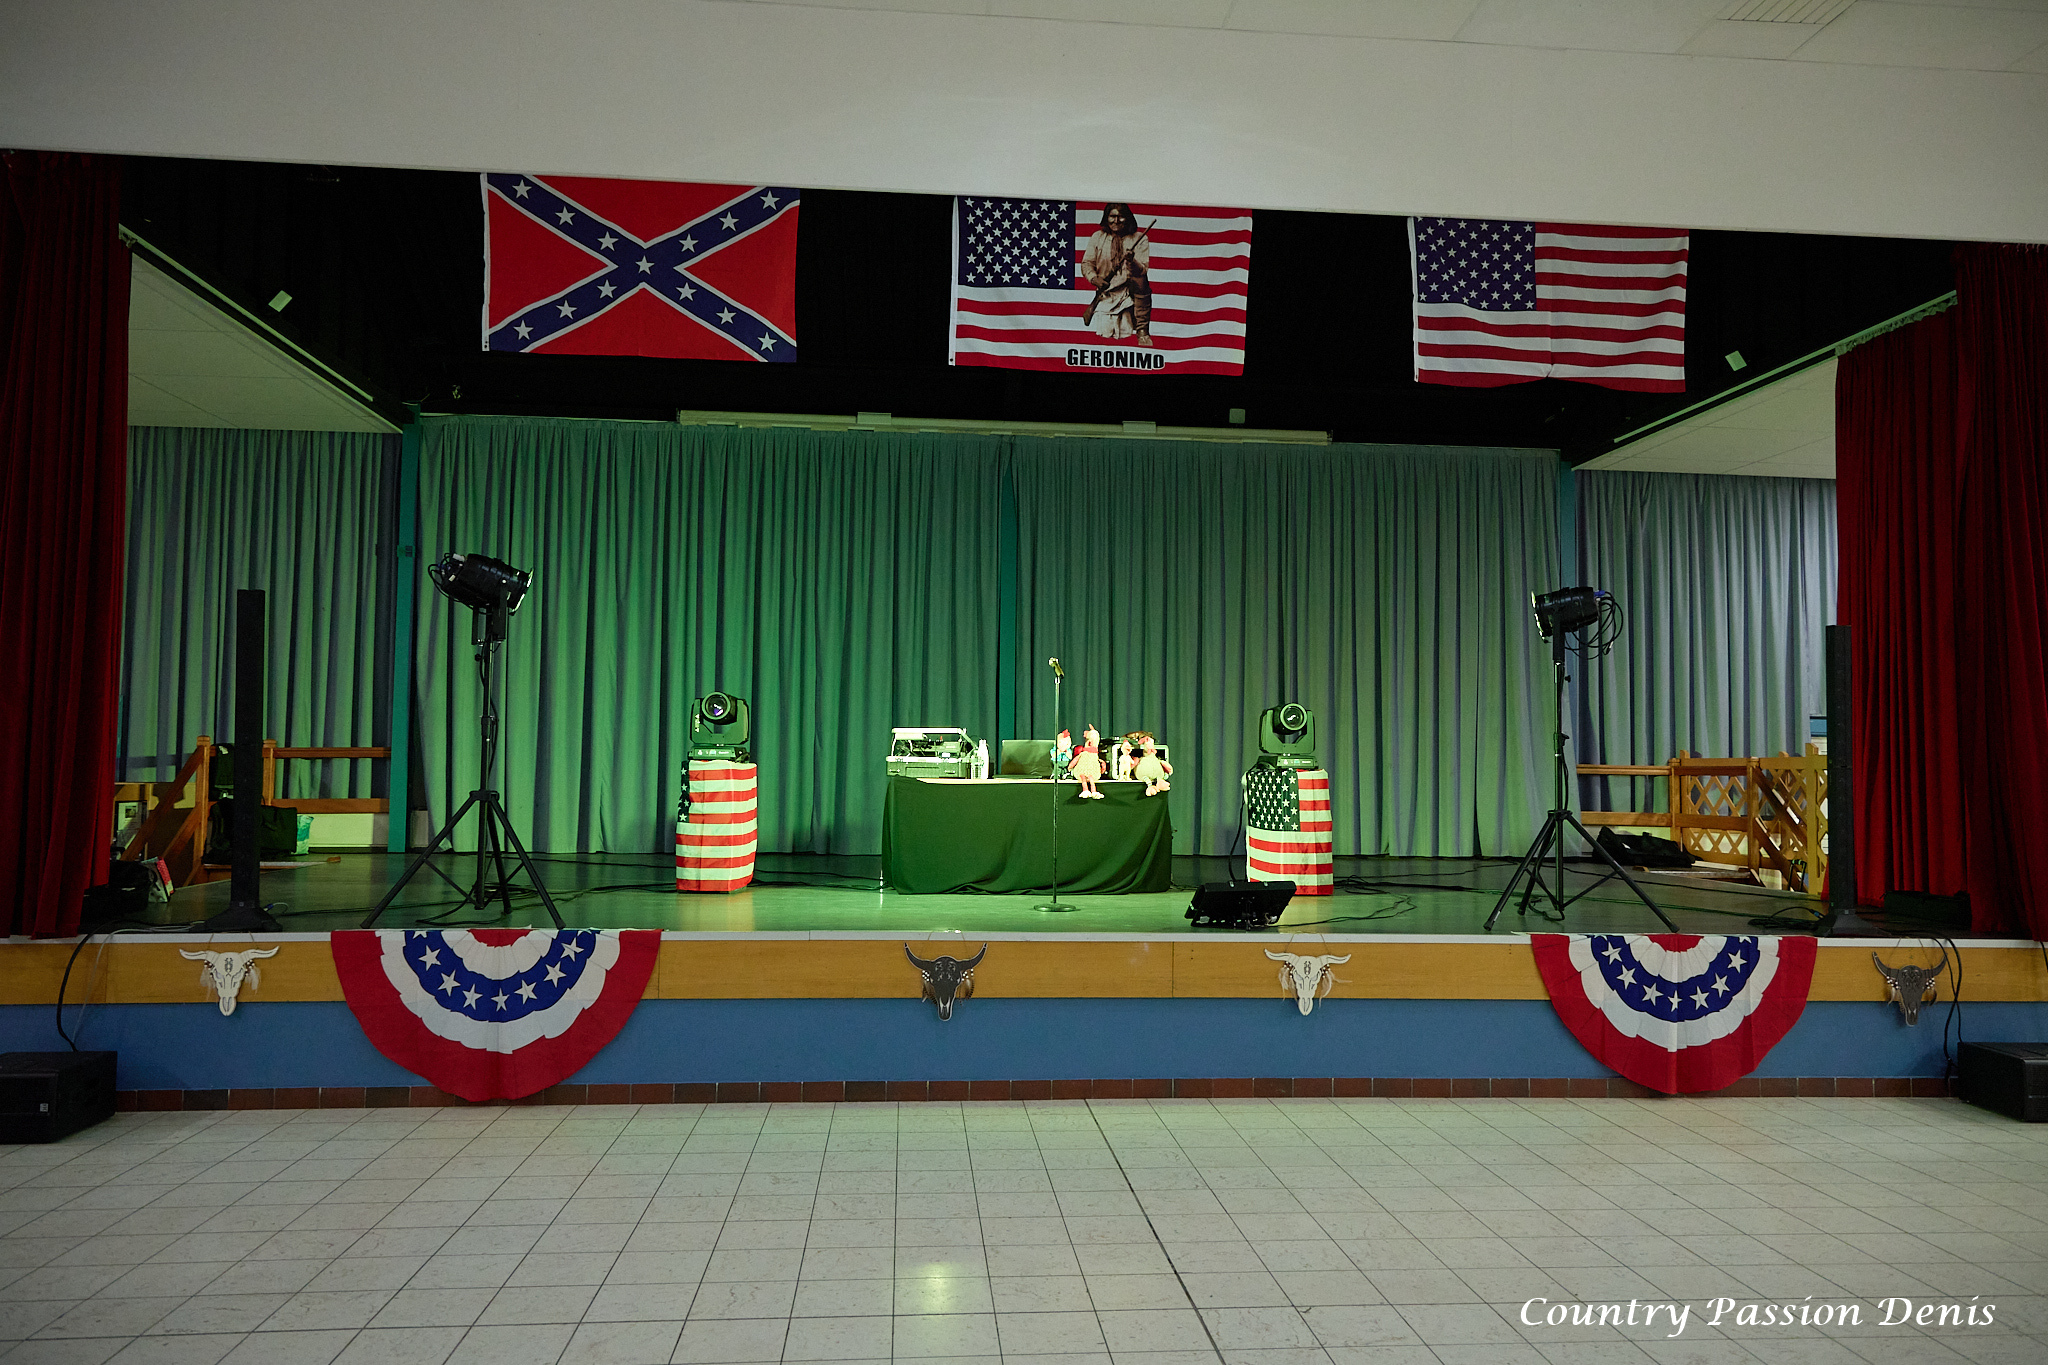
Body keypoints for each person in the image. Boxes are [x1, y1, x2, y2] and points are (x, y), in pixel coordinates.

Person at [1080, 202, 1151, 346]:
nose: (1116, 221)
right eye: (1112, 216)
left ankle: (1142, 330)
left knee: (1142, 282)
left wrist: (1132, 261)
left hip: (1130, 293)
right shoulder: (1097, 237)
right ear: (1106, 217)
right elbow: (1087, 263)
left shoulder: (1140, 238)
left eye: (1121, 216)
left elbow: (1142, 270)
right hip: (1105, 292)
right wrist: (1094, 278)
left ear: (1128, 218)